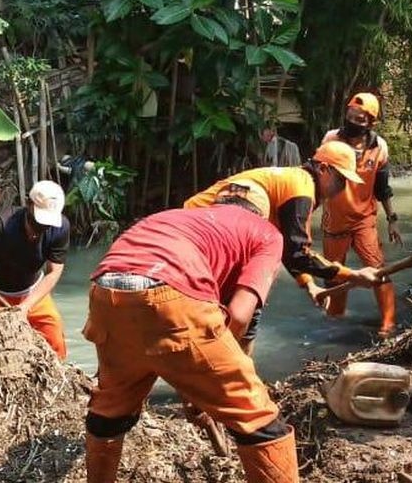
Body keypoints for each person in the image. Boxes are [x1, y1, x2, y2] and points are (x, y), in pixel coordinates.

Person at [81, 199, 299, 482]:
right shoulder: (266, 232)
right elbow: (239, 314)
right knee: (258, 418)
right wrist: (209, 378)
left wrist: (195, 383)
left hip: (106, 291)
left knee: (110, 412)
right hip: (170, 292)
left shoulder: (177, 219)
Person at [184, 141, 383, 311]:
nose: (343, 187)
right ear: (323, 169)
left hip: (194, 228)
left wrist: (309, 284)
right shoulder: (301, 189)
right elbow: (297, 253)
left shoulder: (297, 183)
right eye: (341, 179)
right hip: (202, 230)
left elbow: (288, 247)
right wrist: (352, 274)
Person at [320, 92, 402, 337]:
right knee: (334, 274)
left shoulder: (379, 148)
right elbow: (318, 178)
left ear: (370, 123)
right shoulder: (332, 139)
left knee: (377, 270)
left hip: (363, 220)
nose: (353, 121)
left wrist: (392, 220)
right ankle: (336, 319)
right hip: (334, 220)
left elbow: (383, 188)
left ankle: (388, 323)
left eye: (360, 119)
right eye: (350, 116)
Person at [0, 180, 70, 358]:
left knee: (54, 334)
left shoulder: (60, 228)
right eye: (37, 222)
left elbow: (54, 272)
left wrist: (26, 306)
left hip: (32, 293)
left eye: (46, 225)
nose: (39, 230)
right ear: (28, 205)